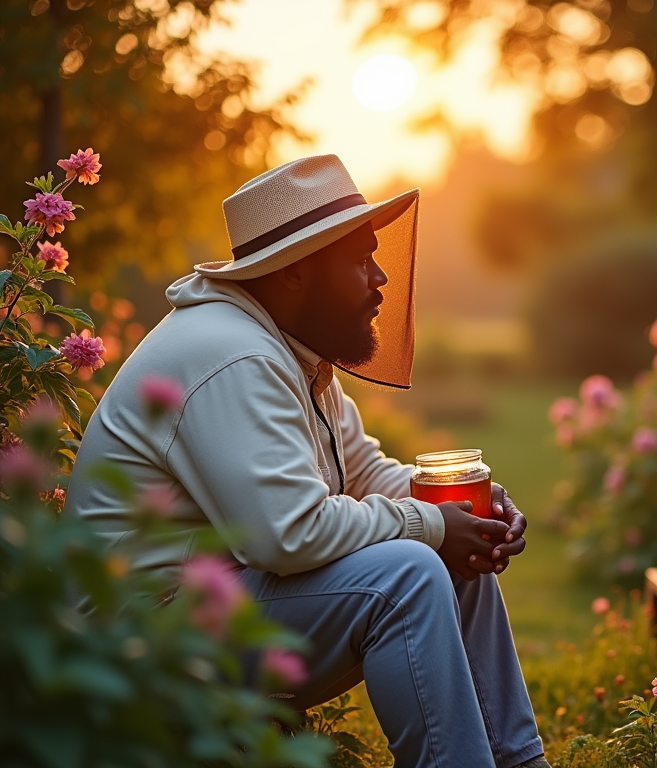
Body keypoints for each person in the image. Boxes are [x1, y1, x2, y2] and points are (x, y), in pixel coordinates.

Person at [64, 155, 550, 768]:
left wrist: (464, 507)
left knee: (458, 559)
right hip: (140, 642)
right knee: (408, 573)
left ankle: (518, 762)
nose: (379, 278)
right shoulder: (233, 357)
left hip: (208, 604)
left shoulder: (290, 354)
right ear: (293, 273)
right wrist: (430, 527)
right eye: (359, 259)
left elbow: (365, 473)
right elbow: (289, 535)